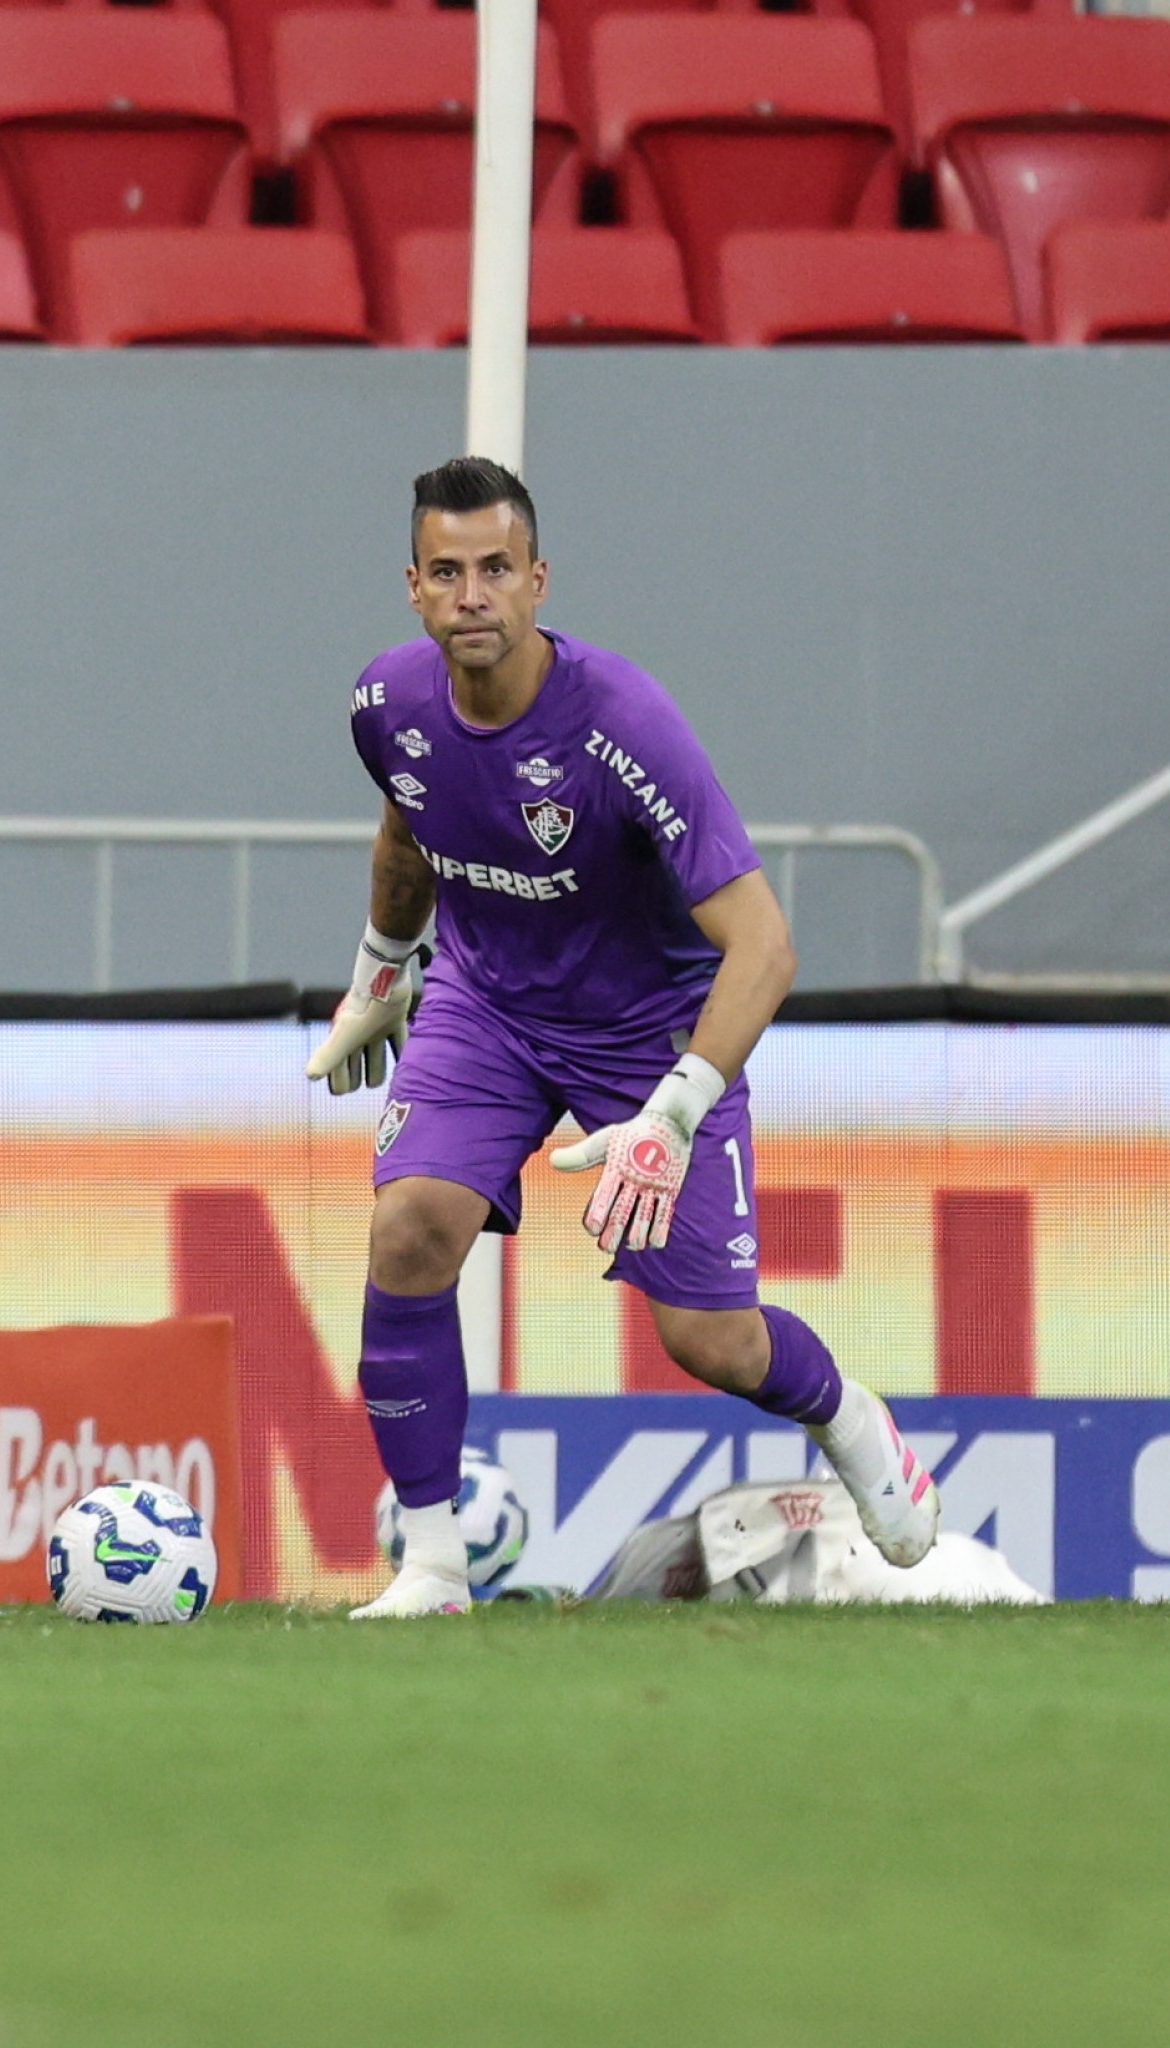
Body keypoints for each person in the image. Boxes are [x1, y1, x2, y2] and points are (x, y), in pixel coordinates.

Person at [309, 456, 939, 1617]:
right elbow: (409, 827)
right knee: (408, 1231)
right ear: (413, 588)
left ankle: (851, 1417)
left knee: (712, 1341)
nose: (473, 595)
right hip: (486, 1006)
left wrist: (675, 1109)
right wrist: (381, 969)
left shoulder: (623, 726)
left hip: (648, 1033)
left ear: (539, 579)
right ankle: (435, 1570)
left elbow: (765, 947)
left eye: (496, 568)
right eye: (446, 573)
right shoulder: (384, 705)